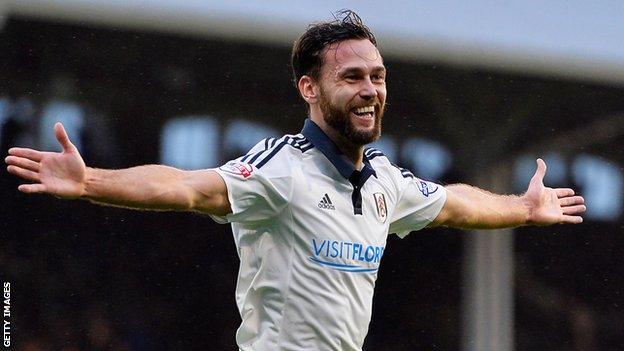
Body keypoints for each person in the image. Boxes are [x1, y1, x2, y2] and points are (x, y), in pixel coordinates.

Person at [4, 10, 585, 351]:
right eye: (352, 76)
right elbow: (186, 187)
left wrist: (524, 207)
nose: (370, 90)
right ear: (310, 89)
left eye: (378, 77)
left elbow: (456, 204)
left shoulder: (383, 180)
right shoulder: (282, 170)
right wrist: (92, 182)